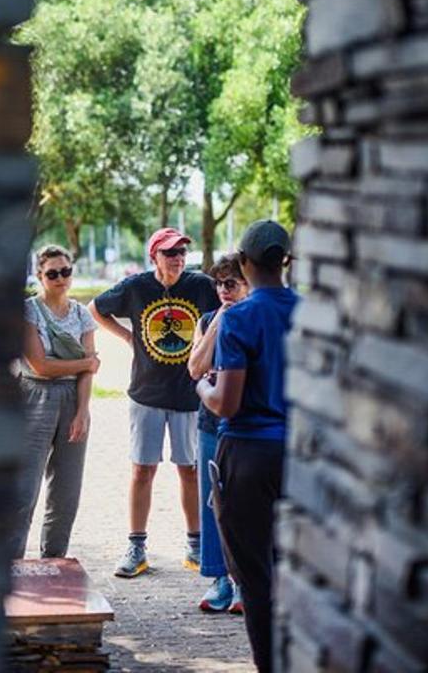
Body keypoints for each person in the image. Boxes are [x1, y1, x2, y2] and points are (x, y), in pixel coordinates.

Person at [90, 227, 221, 577]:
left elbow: (229, 309)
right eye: (169, 253)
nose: (177, 258)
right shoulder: (136, 287)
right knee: (142, 470)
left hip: (188, 394)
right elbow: (95, 308)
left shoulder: (201, 286)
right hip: (146, 393)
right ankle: (136, 546)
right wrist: (129, 337)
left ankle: (195, 544)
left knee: (190, 470)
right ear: (154, 257)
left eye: (181, 252)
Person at [197, 220, 298, 673]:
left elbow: (227, 403)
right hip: (304, 456)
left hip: (249, 456)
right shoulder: (315, 312)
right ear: (286, 262)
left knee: (256, 580)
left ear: (244, 263)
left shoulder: (239, 318)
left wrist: (202, 385)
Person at [11, 245, 101, 560]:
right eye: (52, 273)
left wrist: (83, 411)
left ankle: (55, 562)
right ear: (40, 276)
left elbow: (90, 372)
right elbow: (40, 366)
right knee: (24, 488)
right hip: (33, 395)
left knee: (66, 493)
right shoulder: (28, 311)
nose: (60, 278)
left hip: (73, 398)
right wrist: (85, 364)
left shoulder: (81, 314)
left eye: (66, 271)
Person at [186, 252, 249, 614]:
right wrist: (218, 321)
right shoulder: (209, 317)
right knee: (211, 502)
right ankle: (219, 578)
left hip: (241, 424)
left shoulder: (253, 318)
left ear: (247, 284)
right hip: (210, 422)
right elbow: (195, 366)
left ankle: (242, 579)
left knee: (240, 502)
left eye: (231, 283)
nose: (223, 289)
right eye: (219, 283)